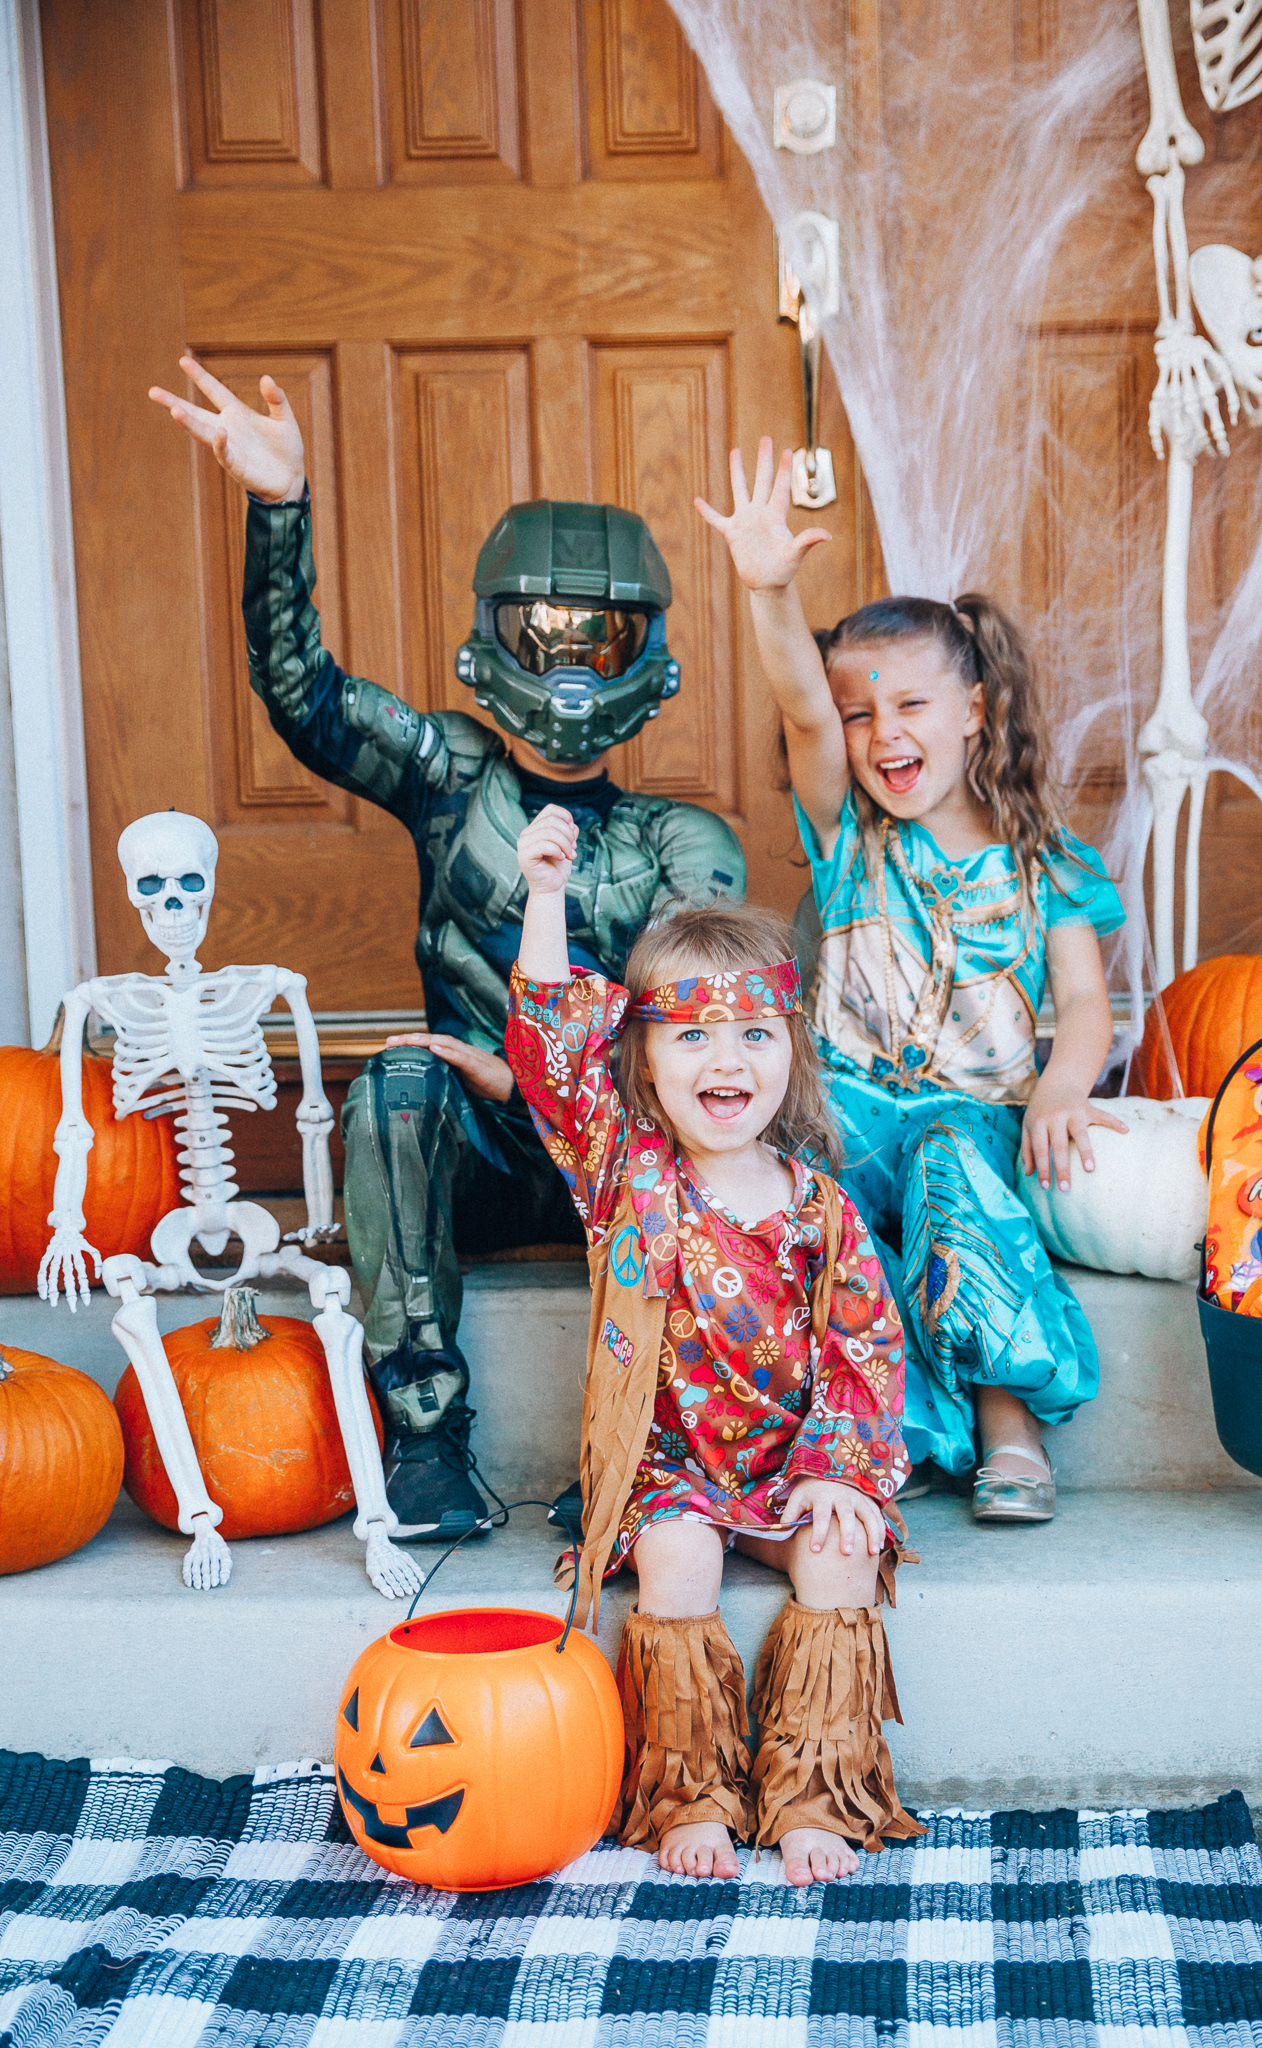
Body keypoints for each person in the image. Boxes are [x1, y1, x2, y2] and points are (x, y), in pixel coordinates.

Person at [150, 359, 745, 1545]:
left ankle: (648, 1433)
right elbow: (303, 692)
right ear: (497, 635)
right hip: (469, 1154)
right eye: (547, 631)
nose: (572, 662)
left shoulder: (686, 840)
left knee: (714, 1105)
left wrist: (536, 1075)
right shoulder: (448, 773)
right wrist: (281, 509)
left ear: (647, 652)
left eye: (604, 634)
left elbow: (706, 1024)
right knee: (399, 1076)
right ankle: (423, 1438)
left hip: (619, 1155)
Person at [696, 440, 1127, 1524]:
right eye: (860, 713)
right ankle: (794, 1431)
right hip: (839, 1111)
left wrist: (1065, 1089)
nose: (884, 732)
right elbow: (799, 697)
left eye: (913, 707)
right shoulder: (848, 833)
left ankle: (1004, 1422)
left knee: (949, 1181)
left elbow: (1083, 1001)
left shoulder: (1046, 863)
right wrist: (770, 587)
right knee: (794, 1194)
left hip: (969, 1123)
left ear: (976, 707)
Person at [500, 802, 921, 1886]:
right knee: (679, 1558)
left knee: (839, 1550)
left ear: (791, 1047)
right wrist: (546, 893)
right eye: (689, 1032)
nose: (723, 1057)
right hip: (667, 1470)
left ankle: (816, 1792)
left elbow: (865, 1353)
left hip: (790, 1468)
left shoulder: (821, 1208)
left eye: (751, 1033)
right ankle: (689, 1791)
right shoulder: (623, 1173)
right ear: (640, 1057)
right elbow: (550, 1042)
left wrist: (842, 1473)